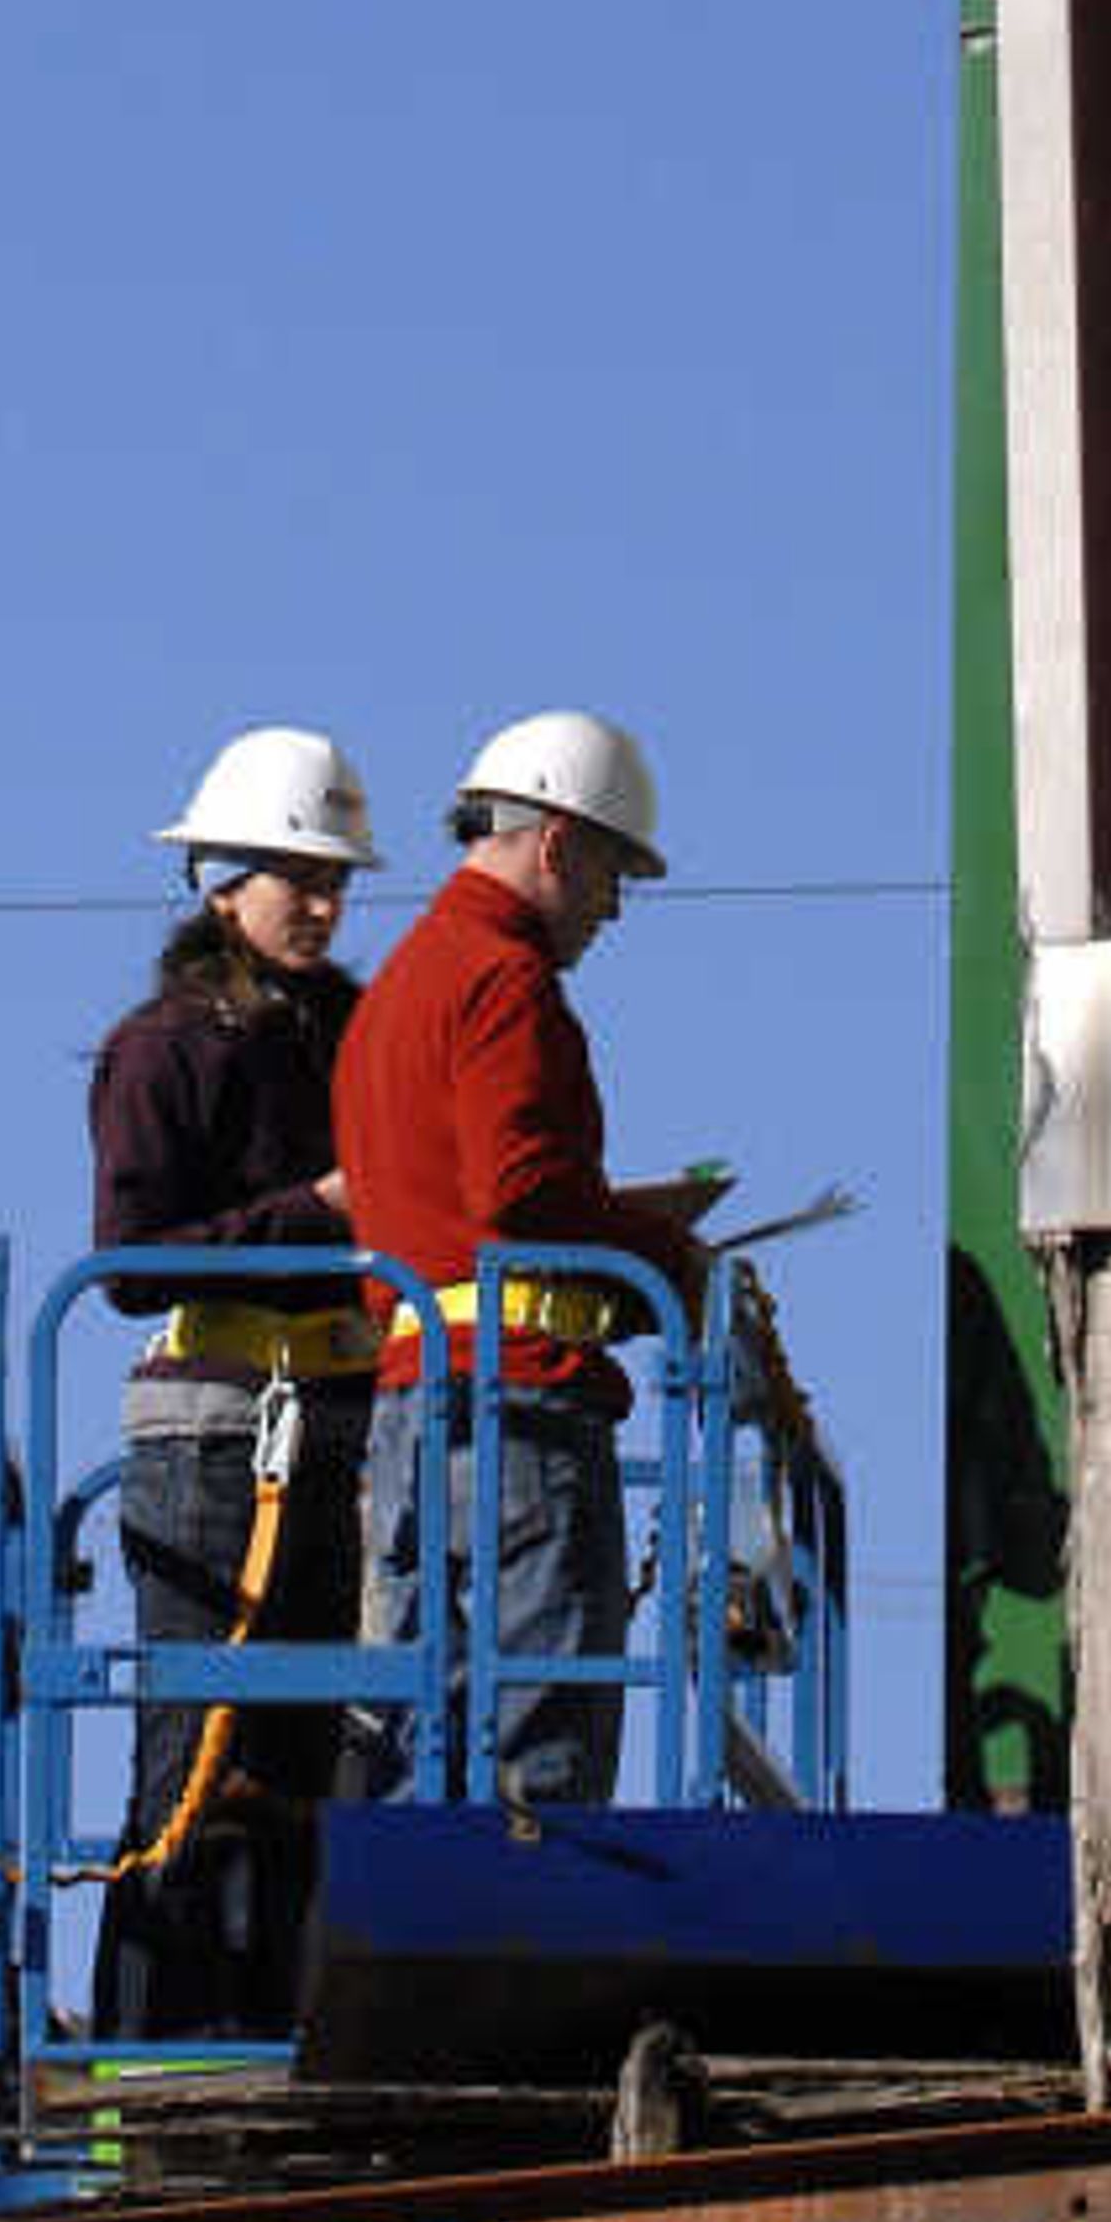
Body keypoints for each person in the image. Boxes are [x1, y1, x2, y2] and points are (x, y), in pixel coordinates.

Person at [339, 712, 711, 1809]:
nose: (611, 905)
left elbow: (444, 1199)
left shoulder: (396, 992)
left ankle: (419, 1953)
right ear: (554, 843)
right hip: (519, 1405)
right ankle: (526, 1953)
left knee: (432, 1731)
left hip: (416, 1406)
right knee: (537, 1746)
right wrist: (664, 1251)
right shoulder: (503, 980)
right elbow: (523, 1191)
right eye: (609, 870)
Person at [86, 722, 385, 2035]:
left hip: (335, 1420)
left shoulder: (348, 1034)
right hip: (212, 1437)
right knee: (198, 1758)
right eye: (295, 879)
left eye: (334, 882)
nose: (322, 905)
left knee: (305, 1761)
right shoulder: (166, 1049)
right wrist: (317, 1214)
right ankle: (153, 2040)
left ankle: (272, 2027)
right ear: (220, 883)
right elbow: (130, 1264)